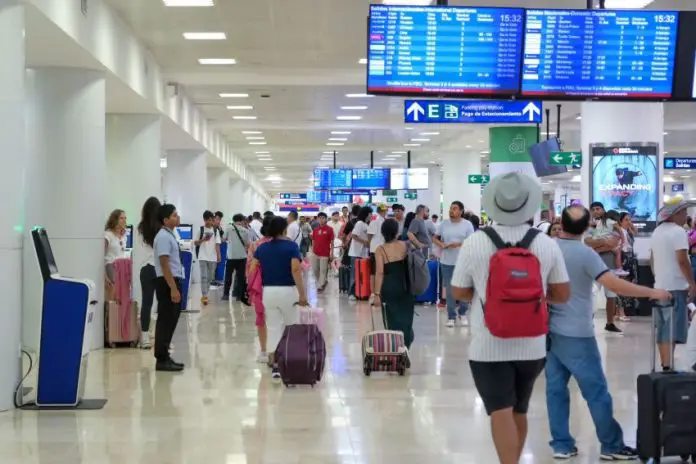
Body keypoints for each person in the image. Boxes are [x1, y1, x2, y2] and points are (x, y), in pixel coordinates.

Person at [451, 172, 570, 464]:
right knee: (519, 409)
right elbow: (563, 293)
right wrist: (535, 297)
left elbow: (458, 291)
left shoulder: (476, 242)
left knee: (500, 410)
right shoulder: (545, 243)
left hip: (488, 343)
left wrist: (488, 296)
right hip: (532, 345)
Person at [546, 205, 670, 461]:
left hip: (546, 331)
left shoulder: (545, 249)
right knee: (596, 391)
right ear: (586, 227)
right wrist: (651, 292)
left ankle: (561, 444)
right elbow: (613, 283)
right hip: (577, 333)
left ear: (563, 224)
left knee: (555, 390)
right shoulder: (585, 253)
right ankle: (611, 445)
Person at [254, 216, 309, 381]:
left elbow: (252, 269)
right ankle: (290, 360)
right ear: (284, 229)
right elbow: (295, 270)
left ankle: (275, 364)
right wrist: (302, 294)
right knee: (291, 326)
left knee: (272, 327)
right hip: (287, 291)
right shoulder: (291, 247)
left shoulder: (262, 248)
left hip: (268, 292)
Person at [649, 197, 696, 371]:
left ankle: (666, 365)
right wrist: (692, 283)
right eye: (684, 212)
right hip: (676, 287)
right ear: (675, 214)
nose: (686, 216)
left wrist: (658, 277)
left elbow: (653, 259)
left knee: (663, 329)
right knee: (674, 330)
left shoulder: (657, 231)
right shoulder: (678, 232)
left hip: (660, 286)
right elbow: (682, 260)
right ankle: (668, 366)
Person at [373, 218, 416, 360]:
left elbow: (379, 273)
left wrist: (376, 294)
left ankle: (396, 350)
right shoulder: (405, 245)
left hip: (389, 288)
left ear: (383, 233)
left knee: (392, 320)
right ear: (397, 232)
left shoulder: (380, 250)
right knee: (406, 319)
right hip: (406, 286)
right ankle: (406, 348)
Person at [153, 203, 185, 372]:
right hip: (167, 282)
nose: (177, 217)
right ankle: (161, 359)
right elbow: (164, 264)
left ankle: (164, 356)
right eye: (174, 215)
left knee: (170, 320)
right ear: (165, 220)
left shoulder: (169, 234)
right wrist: (173, 288)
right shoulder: (164, 237)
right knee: (166, 320)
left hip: (171, 280)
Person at [434, 201, 475, 328]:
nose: (452, 211)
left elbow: (471, 242)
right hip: (446, 262)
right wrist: (441, 244)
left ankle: (462, 313)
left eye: (455, 209)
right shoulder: (444, 224)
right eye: (451, 208)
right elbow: (435, 237)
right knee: (450, 290)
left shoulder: (467, 225)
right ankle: (451, 316)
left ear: (461, 211)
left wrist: (456, 244)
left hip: (463, 261)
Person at [585, 202, 623, 334]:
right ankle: (588, 322)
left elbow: (615, 241)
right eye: (593, 209)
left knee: (611, 295)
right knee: (591, 294)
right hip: (593, 265)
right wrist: (604, 244)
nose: (596, 211)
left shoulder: (610, 224)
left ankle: (610, 323)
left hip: (610, 265)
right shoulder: (588, 227)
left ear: (603, 210)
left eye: (598, 208)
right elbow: (587, 243)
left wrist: (599, 246)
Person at [247, 215, 273, 364]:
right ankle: (277, 349)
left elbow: (249, 269)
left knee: (261, 318)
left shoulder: (255, 245)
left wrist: (250, 286)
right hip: (279, 285)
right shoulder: (284, 244)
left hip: (260, 286)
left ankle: (263, 351)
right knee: (278, 319)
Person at [136, 197, 161, 350]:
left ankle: (144, 338)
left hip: (145, 268)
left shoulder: (141, 228)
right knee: (162, 305)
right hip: (159, 268)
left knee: (147, 303)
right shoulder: (162, 227)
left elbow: (141, 245)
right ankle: (161, 338)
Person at [194, 210, 221, 306]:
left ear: (212, 220)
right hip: (202, 256)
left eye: (210, 220)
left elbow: (217, 244)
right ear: (204, 220)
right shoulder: (200, 230)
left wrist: (219, 255)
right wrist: (203, 240)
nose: (208, 222)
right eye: (206, 220)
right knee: (204, 276)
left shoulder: (215, 230)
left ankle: (206, 293)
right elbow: (195, 242)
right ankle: (204, 296)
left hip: (213, 257)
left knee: (210, 277)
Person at [616, 212, 638, 322]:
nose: (629, 222)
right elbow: (619, 249)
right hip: (624, 259)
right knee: (621, 286)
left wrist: (631, 225)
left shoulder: (628, 232)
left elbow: (636, 233)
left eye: (630, 219)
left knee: (629, 285)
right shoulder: (619, 232)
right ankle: (620, 312)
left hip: (630, 259)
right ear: (620, 221)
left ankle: (619, 312)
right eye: (626, 220)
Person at [223, 213, 250, 304]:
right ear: (242, 221)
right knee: (241, 277)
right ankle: (239, 295)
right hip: (242, 257)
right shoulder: (245, 230)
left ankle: (226, 295)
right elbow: (247, 244)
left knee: (228, 276)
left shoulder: (228, 228)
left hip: (231, 256)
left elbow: (223, 239)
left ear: (233, 220)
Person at [347, 206, 372, 300]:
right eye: (370, 214)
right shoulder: (359, 223)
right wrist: (364, 242)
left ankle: (359, 291)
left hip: (363, 253)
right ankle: (351, 293)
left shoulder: (366, 224)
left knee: (361, 274)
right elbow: (354, 235)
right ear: (366, 214)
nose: (371, 216)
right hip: (356, 253)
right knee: (354, 274)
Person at [104, 208, 127, 301]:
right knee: (113, 290)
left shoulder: (123, 236)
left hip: (122, 266)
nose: (124, 220)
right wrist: (104, 275)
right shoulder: (108, 235)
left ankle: (117, 315)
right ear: (115, 219)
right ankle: (109, 314)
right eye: (122, 218)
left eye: (125, 218)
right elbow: (100, 255)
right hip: (111, 264)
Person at [367, 204, 388, 296]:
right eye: (384, 211)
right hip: (377, 249)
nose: (385, 212)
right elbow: (370, 235)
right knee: (376, 272)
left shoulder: (380, 220)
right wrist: (369, 244)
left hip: (375, 249)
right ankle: (375, 292)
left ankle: (375, 292)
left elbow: (370, 235)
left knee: (374, 272)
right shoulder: (377, 220)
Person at [311, 212, 334, 292]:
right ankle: (323, 281)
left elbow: (332, 242)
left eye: (323, 218)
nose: (321, 219)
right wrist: (312, 250)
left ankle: (320, 285)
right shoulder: (315, 230)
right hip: (315, 253)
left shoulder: (330, 229)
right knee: (315, 269)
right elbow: (313, 240)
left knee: (323, 269)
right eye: (319, 218)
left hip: (325, 253)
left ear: (326, 219)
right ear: (317, 219)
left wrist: (332, 253)